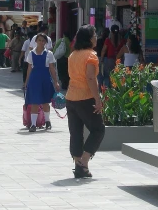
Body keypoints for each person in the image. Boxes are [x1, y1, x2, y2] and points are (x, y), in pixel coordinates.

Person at [66, 25, 105, 179]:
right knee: (98, 130)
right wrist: (97, 98)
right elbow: (90, 77)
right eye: (94, 34)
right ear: (89, 38)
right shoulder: (91, 56)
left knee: (76, 132)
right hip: (85, 97)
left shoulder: (73, 55)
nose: (96, 37)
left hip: (71, 97)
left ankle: (80, 166)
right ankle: (84, 161)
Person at [24, 33, 60, 132]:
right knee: (34, 102)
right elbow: (29, 68)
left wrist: (56, 82)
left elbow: (52, 69)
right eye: (39, 40)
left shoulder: (49, 54)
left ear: (46, 42)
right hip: (34, 80)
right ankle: (33, 124)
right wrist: (26, 82)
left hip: (45, 80)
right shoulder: (31, 54)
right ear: (36, 41)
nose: (41, 42)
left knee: (45, 102)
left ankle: (47, 121)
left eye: (43, 41)